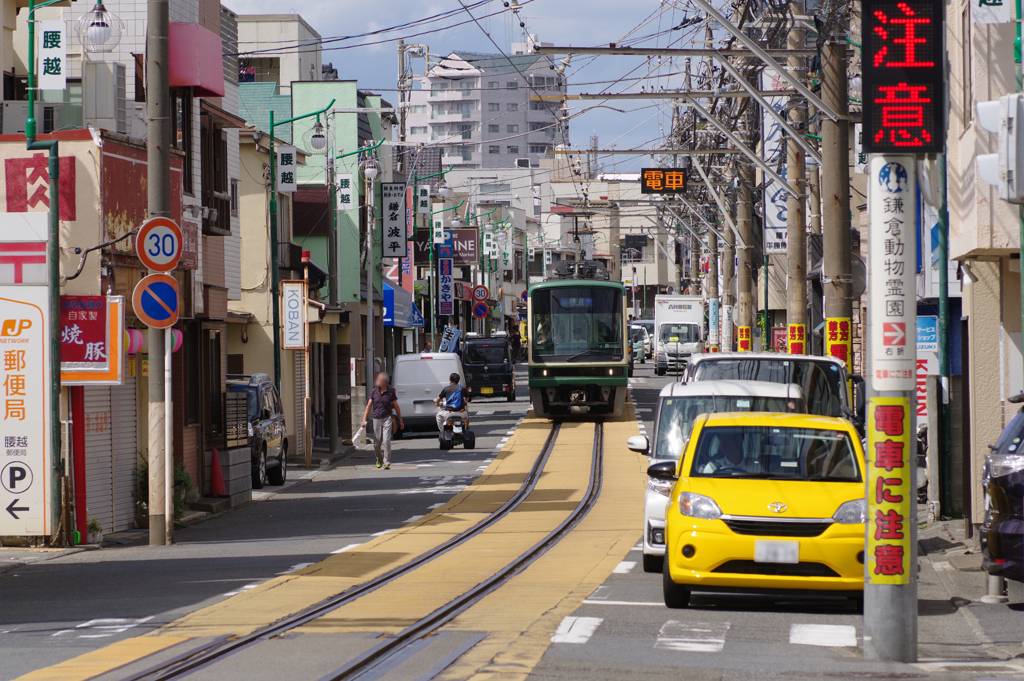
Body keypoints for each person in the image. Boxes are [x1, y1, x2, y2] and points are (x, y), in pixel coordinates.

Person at [361, 372, 403, 469]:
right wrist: (364, 419)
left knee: (387, 440)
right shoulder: (373, 392)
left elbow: (396, 406)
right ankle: (379, 458)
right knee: (377, 443)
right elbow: (368, 406)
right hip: (376, 419)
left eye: (379, 380)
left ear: (384, 382)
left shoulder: (390, 392)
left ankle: (387, 462)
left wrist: (400, 420)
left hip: (387, 418)